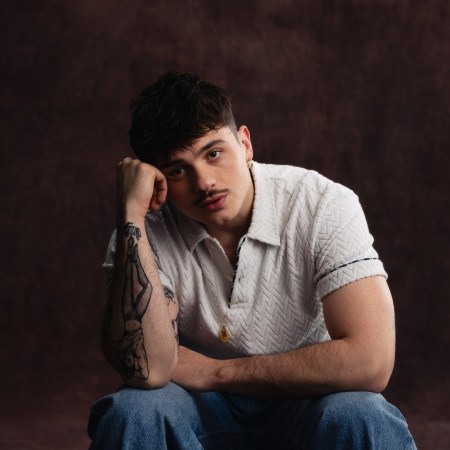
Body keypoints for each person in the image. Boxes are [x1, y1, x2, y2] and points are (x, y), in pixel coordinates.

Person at [88, 71, 416, 449]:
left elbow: (371, 362)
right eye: (178, 170)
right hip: (195, 408)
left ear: (245, 143)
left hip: (306, 399)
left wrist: (217, 372)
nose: (204, 182)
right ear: (157, 179)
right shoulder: (140, 234)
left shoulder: (322, 203)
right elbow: (148, 370)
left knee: (363, 415)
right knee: (132, 411)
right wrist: (130, 214)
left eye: (213, 154)